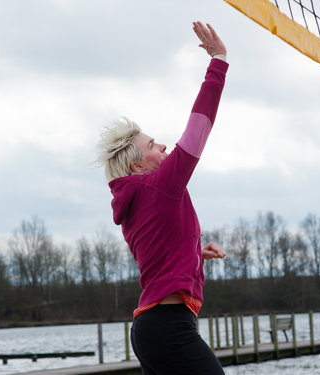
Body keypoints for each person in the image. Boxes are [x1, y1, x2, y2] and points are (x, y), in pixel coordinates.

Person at [96, 21, 228, 375]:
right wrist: (218, 61)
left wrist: (195, 251)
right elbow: (199, 125)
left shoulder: (135, 200)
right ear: (138, 164)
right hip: (168, 327)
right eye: (154, 145)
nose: (165, 146)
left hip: (152, 328)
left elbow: (160, 251)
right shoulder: (158, 185)